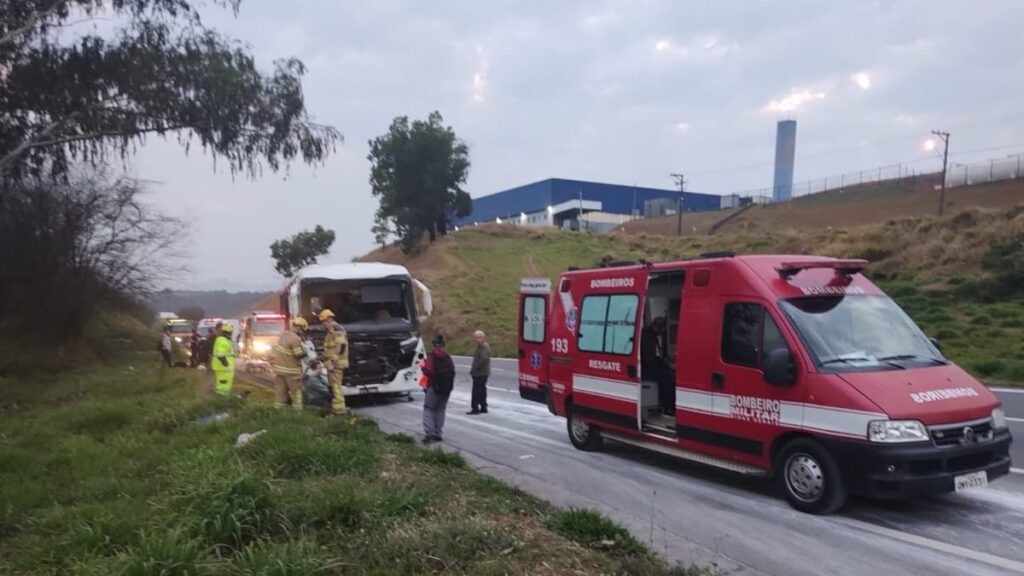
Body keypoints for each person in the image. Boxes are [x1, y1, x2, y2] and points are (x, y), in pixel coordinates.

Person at [421, 334, 456, 443]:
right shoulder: (447, 357)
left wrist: (423, 366)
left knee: (428, 408)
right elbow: (452, 371)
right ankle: (438, 433)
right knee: (440, 410)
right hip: (446, 388)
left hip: (434, 385)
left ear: (433, 344)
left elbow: (429, 371)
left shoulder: (431, 356)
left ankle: (429, 433)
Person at [272, 317, 309, 409]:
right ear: (300, 328)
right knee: (296, 393)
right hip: (292, 372)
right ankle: (297, 413)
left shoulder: (283, 336)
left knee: (280, 393)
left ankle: (278, 411)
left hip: (279, 371)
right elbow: (298, 354)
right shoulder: (296, 339)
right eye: (303, 331)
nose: (302, 333)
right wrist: (305, 351)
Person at [641, 316, 674, 415]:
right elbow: (649, 358)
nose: (662, 333)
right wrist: (666, 366)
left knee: (666, 375)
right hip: (646, 369)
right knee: (668, 378)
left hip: (648, 366)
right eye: (662, 330)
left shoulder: (649, 334)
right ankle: (668, 406)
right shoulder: (647, 336)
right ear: (658, 327)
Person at [318, 308, 348, 415]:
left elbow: (341, 346)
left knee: (336, 387)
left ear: (329, 319)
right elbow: (330, 349)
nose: (323, 325)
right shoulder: (331, 331)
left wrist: (332, 361)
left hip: (336, 364)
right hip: (332, 364)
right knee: (333, 387)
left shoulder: (336, 329)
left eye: (323, 322)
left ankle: (339, 411)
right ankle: (335, 409)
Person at [467, 330, 491, 415]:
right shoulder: (481, 346)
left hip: (481, 373)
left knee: (476, 390)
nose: (476, 340)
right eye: (475, 338)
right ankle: (483, 406)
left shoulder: (484, 346)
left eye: (478, 338)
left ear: (483, 338)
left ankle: (475, 407)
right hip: (481, 372)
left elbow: (484, 358)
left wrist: (477, 367)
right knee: (481, 390)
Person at [211, 323, 236, 396]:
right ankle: (221, 399)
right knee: (223, 386)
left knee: (224, 385)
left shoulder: (225, 340)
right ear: (229, 332)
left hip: (224, 368)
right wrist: (226, 365)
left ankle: (223, 398)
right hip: (223, 368)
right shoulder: (222, 340)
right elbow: (220, 355)